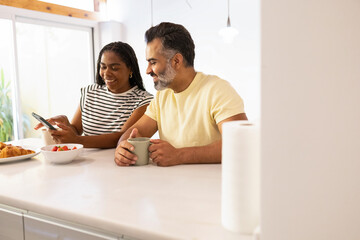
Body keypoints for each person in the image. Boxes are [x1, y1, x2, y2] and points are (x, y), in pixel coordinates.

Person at [114, 22, 247, 167]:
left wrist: (179, 155)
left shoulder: (217, 90)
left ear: (177, 61)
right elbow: (135, 132)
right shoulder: (162, 96)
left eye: (153, 62)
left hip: (210, 186)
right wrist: (122, 147)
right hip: (171, 185)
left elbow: (240, 143)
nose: (147, 70)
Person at [34, 41, 153, 148]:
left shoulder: (143, 100)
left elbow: (122, 138)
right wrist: (66, 124)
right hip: (87, 165)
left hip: (120, 164)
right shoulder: (90, 92)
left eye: (114, 68)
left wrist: (77, 140)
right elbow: (76, 131)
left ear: (130, 69)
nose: (107, 73)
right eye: (103, 67)